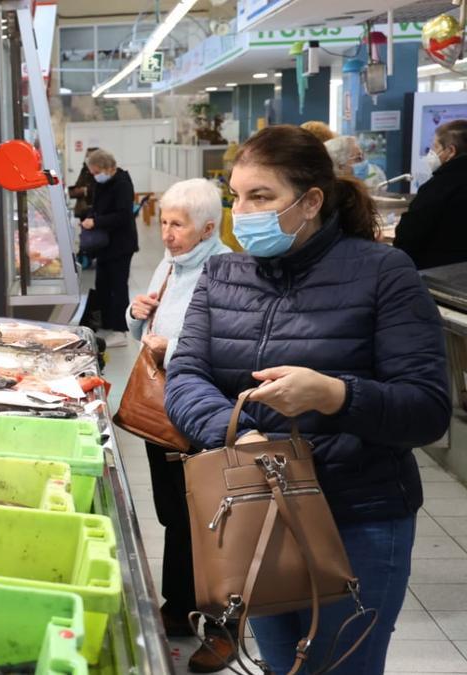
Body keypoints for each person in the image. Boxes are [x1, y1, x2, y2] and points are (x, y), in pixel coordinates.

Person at [165, 125, 450, 674]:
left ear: (311, 201)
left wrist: (335, 394)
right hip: (258, 511)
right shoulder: (223, 274)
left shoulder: (384, 274)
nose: (243, 212)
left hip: (357, 518)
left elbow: (426, 409)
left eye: (261, 197)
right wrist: (241, 436)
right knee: (281, 663)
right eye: (236, 198)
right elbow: (185, 378)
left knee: (342, 666)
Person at [127, 178, 233, 673]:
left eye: (178, 225)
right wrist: (136, 313)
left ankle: (224, 623)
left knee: (213, 519)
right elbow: (145, 327)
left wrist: (175, 347)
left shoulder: (229, 269)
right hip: (164, 410)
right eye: (165, 223)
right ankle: (178, 603)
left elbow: (235, 346)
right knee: (173, 511)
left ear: (208, 227)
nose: (166, 233)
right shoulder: (170, 264)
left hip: (206, 411)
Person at [80, 148, 138, 347]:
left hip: (121, 245)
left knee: (118, 287)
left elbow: (123, 216)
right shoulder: (104, 184)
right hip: (105, 244)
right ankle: (106, 321)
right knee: (103, 284)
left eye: (97, 172)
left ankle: (121, 330)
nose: (96, 177)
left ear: (107, 167)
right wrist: (90, 216)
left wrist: (96, 223)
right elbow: (98, 206)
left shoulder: (122, 184)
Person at [394, 119, 467, 269]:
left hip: (441, 272)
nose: (430, 154)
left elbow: (409, 235)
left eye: (435, 147)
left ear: (451, 151)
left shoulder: (439, 186)